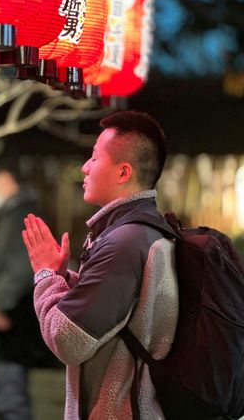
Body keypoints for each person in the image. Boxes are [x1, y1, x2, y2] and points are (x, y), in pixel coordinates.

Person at [22, 110, 179, 420]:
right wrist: (61, 276)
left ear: (123, 173)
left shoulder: (125, 242)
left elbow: (67, 340)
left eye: (94, 158)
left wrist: (44, 275)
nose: (85, 167)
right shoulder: (142, 230)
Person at [0, 156, 58, 420]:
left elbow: (22, 266)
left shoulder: (22, 214)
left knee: (10, 397)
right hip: (18, 316)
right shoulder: (19, 210)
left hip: (14, 318)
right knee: (11, 392)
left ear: (5, 178)